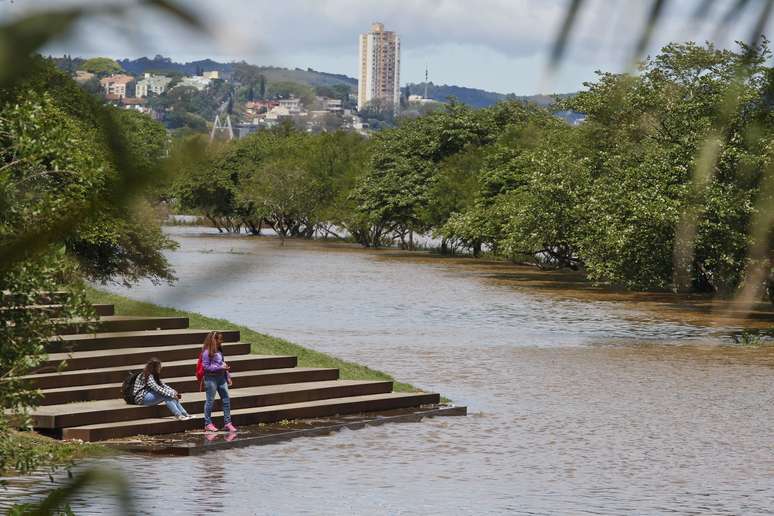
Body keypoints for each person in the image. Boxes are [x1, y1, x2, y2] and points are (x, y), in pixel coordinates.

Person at [202, 331, 237, 433]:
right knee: (210, 401)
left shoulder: (220, 351)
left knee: (226, 399)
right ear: (214, 340)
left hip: (221, 378)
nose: (222, 341)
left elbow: (221, 363)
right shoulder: (206, 352)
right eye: (220, 339)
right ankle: (207, 423)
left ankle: (228, 423)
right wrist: (219, 367)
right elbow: (206, 367)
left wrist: (227, 375)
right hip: (210, 379)